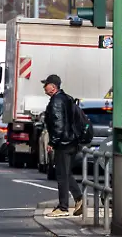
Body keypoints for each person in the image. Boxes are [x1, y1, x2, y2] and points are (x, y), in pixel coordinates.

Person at [42, 75, 83, 218]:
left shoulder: (56, 101)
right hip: (72, 141)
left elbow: (58, 125)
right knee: (66, 173)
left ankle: (63, 207)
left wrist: (52, 142)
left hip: (64, 143)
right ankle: (79, 199)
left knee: (61, 175)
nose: (44, 88)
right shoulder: (67, 98)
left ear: (53, 87)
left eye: (46, 85)